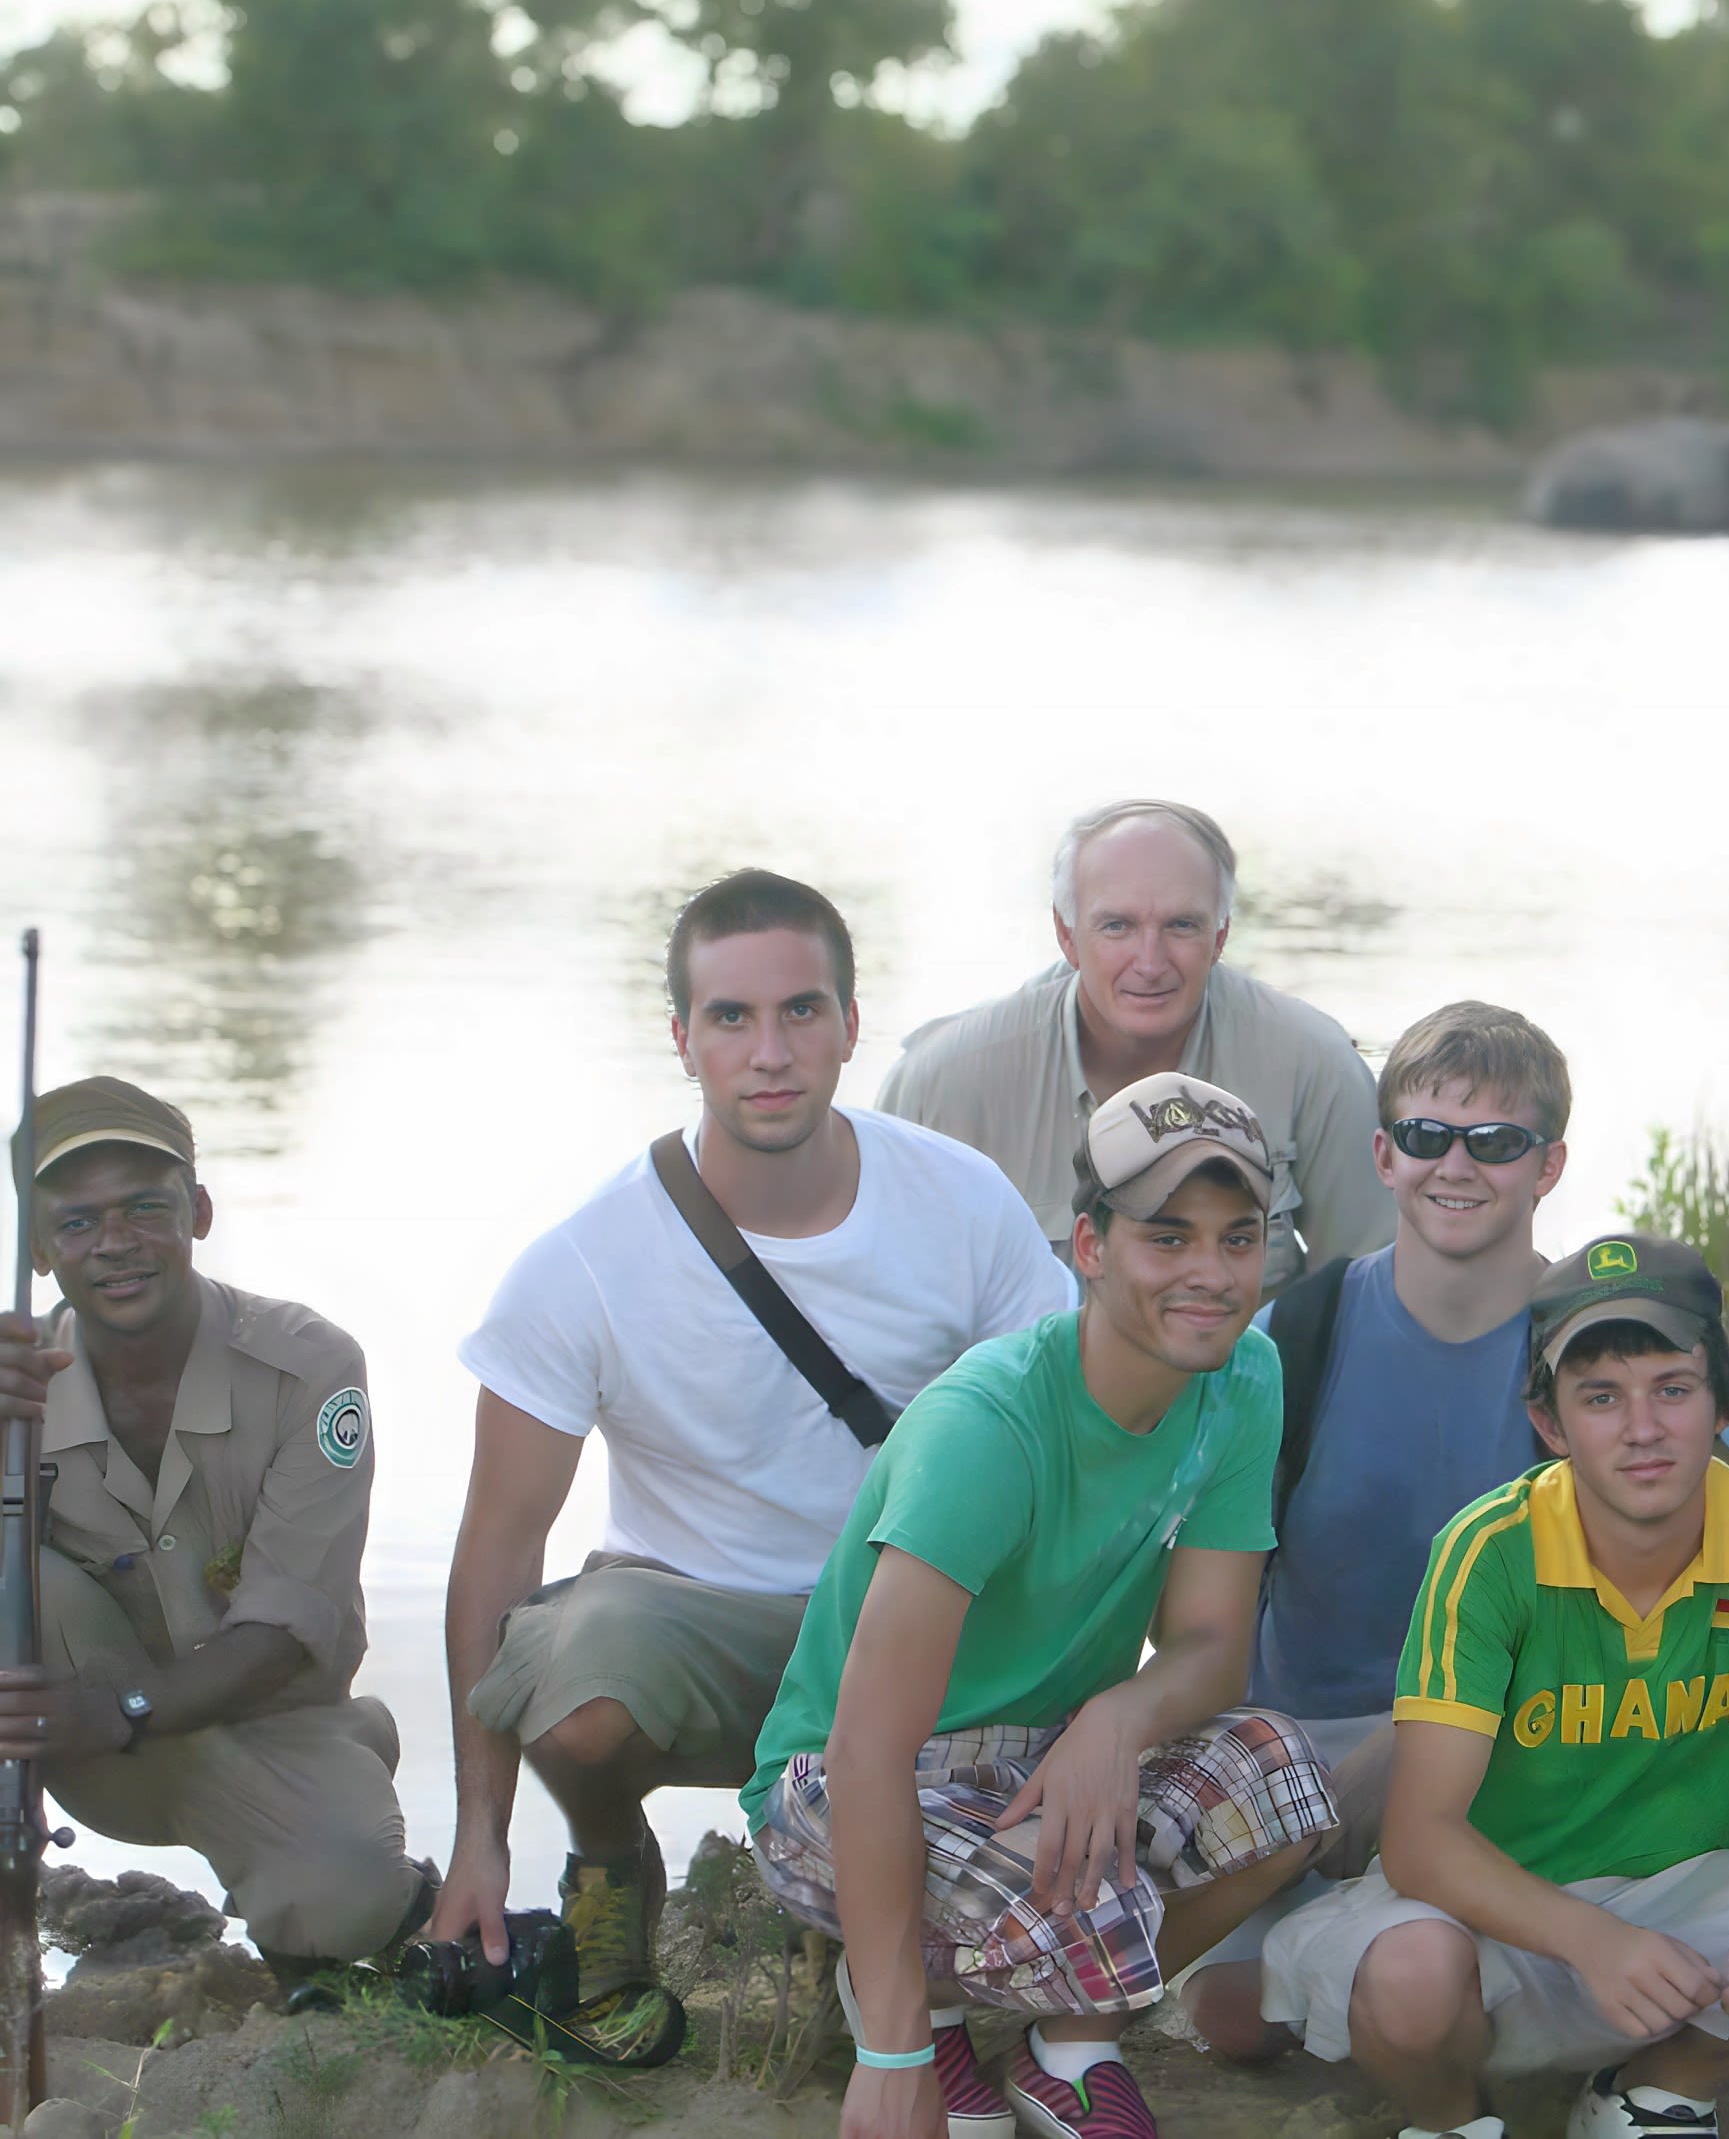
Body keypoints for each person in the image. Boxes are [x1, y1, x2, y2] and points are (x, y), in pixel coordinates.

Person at [435, 870, 1076, 2061]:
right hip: (701, 1620)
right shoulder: (583, 1259)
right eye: (730, 1017)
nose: (768, 1051)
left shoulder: (963, 1201)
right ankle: (612, 1855)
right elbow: (498, 1544)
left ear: (849, 1024)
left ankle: (863, 1899)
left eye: (800, 1011)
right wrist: (481, 1835)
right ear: (681, 1039)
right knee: (572, 1692)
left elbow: (1061, 1451)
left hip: (911, 1615)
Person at [746, 1072, 1341, 2139]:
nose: (1211, 1275)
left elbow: (1210, 1646)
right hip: (846, 1783)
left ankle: (1064, 2042)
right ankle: (908, 2010)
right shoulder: (988, 1427)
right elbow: (866, 1749)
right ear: (1090, 1245)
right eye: (1168, 1238)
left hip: (1049, 1749)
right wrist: (888, 2064)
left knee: (1284, 1788)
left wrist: (1119, 1719)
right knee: (1094, 1907)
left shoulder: (1243, 1373)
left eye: (1239, 1238)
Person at [1259, 1235, 1729, 2139]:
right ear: (1552, 1424)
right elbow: (1417, 1842)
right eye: (1601, 1397)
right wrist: (1592, 1941)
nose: (1641, 1429)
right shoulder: (1490, 1550)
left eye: (1672, 1390)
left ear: (1724, 1402)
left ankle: (1651, 2089)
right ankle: (1454, 2120)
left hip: (1681, 1896)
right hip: (1493, 1906)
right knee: (1409, 1981)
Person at [1188, 1000, 1569, 2057]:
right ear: (1381, 1156)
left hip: (1508, 1749)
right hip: (1301, 1756)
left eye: (1496, 1142)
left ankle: (1425, 1952)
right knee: (1232, 2028)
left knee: (1418, 1988)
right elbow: (1206, 1601)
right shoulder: (1295, 1335)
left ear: (1549, 1165)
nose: (1457, 1166)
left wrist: (1418, 1749)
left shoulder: (1590, 1351)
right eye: (1425, 1136)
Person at [0, 1078, 425, 1972]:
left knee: (345, 1905)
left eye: (145, 1209)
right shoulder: (14, 1384)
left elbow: (278, 1632)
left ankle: (342, 1770)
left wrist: (115, 1709)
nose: (116, 1245)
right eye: (77, 1223)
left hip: (256, 1716)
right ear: (38, 1249)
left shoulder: (309, 1367)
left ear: (197, 1210)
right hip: (67, 1741)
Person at [877, 799, 1391, 1295]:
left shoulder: (1312, 1065)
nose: (1149, 963)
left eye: (1181, 925)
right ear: (1066, 933)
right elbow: (887, 1301)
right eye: (1117, 926)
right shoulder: (940, 1085)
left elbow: (1371, 1288)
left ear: (1221, 934)